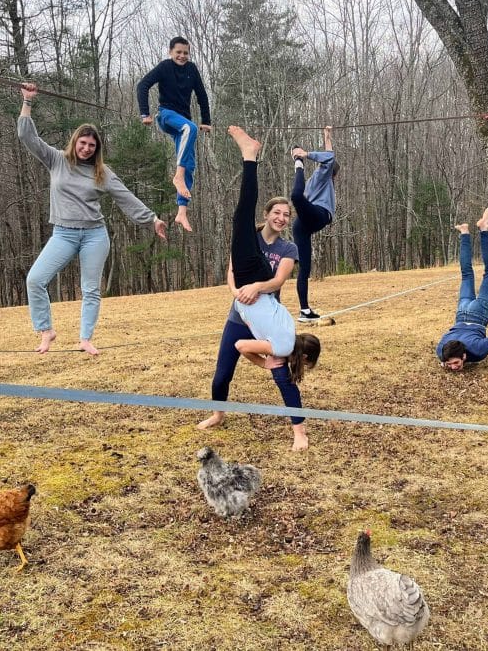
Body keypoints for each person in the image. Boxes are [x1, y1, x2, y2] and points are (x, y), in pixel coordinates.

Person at [197, 125, 321, 451]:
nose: (281, 218)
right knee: (222, 373)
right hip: (242, 313)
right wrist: (236, 290)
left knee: (281, 374)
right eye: (277, 213)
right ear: (267, 215)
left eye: (286, 214)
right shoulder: (248, 239)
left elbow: (278, 281)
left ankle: (299, 431)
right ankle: (218, 414)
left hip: (261, 307)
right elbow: (231, 272)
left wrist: (254, 286)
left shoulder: (287, 249)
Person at [18, 84, 167, 355]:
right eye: (82, 143)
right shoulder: (56, 160)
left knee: (90, 289)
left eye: (91, 145)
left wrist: (152, 220)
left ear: (97, 148)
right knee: (35, 279)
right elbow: (28, 137)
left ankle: (85, 338)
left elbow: (126, 197)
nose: (86, 148)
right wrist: (28, 101)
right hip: (63, 233)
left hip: (94, 235)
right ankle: (46, 330)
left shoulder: (102, 172)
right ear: (75, 142)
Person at [136, 36, 212, 233]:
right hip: (166, 115)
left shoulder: (192, 69)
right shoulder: (164, 67)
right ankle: (178, 177)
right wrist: (145, 113)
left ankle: (182, 211)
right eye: (178, 52)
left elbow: (202, 95)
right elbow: (142, 85)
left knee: (189, 163)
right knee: (190, 129)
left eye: (185, 52)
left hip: (183, 121)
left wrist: (206, 121)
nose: (182, 56)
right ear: (171, 52)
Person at [436, 208, 488, 374]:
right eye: (450, 364)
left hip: (478, 314)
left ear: (464, 356)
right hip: (462, 312)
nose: (453, 367)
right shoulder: (441, 352)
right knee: (466, 273)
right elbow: (442, 348)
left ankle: (484, 229)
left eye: (454, 363)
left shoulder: (477, 350)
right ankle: (464, 232)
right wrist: (444, 362)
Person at [291, 125, 338, 322]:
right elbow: (329, 158)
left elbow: (329, 155)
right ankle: (298, 163)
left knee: (305, 268)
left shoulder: (319, 179)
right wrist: (304, 154)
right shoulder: (320, 175)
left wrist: (327, 136)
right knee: (296, 196)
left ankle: (304, 310)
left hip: (303, 223)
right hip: (316, 216)